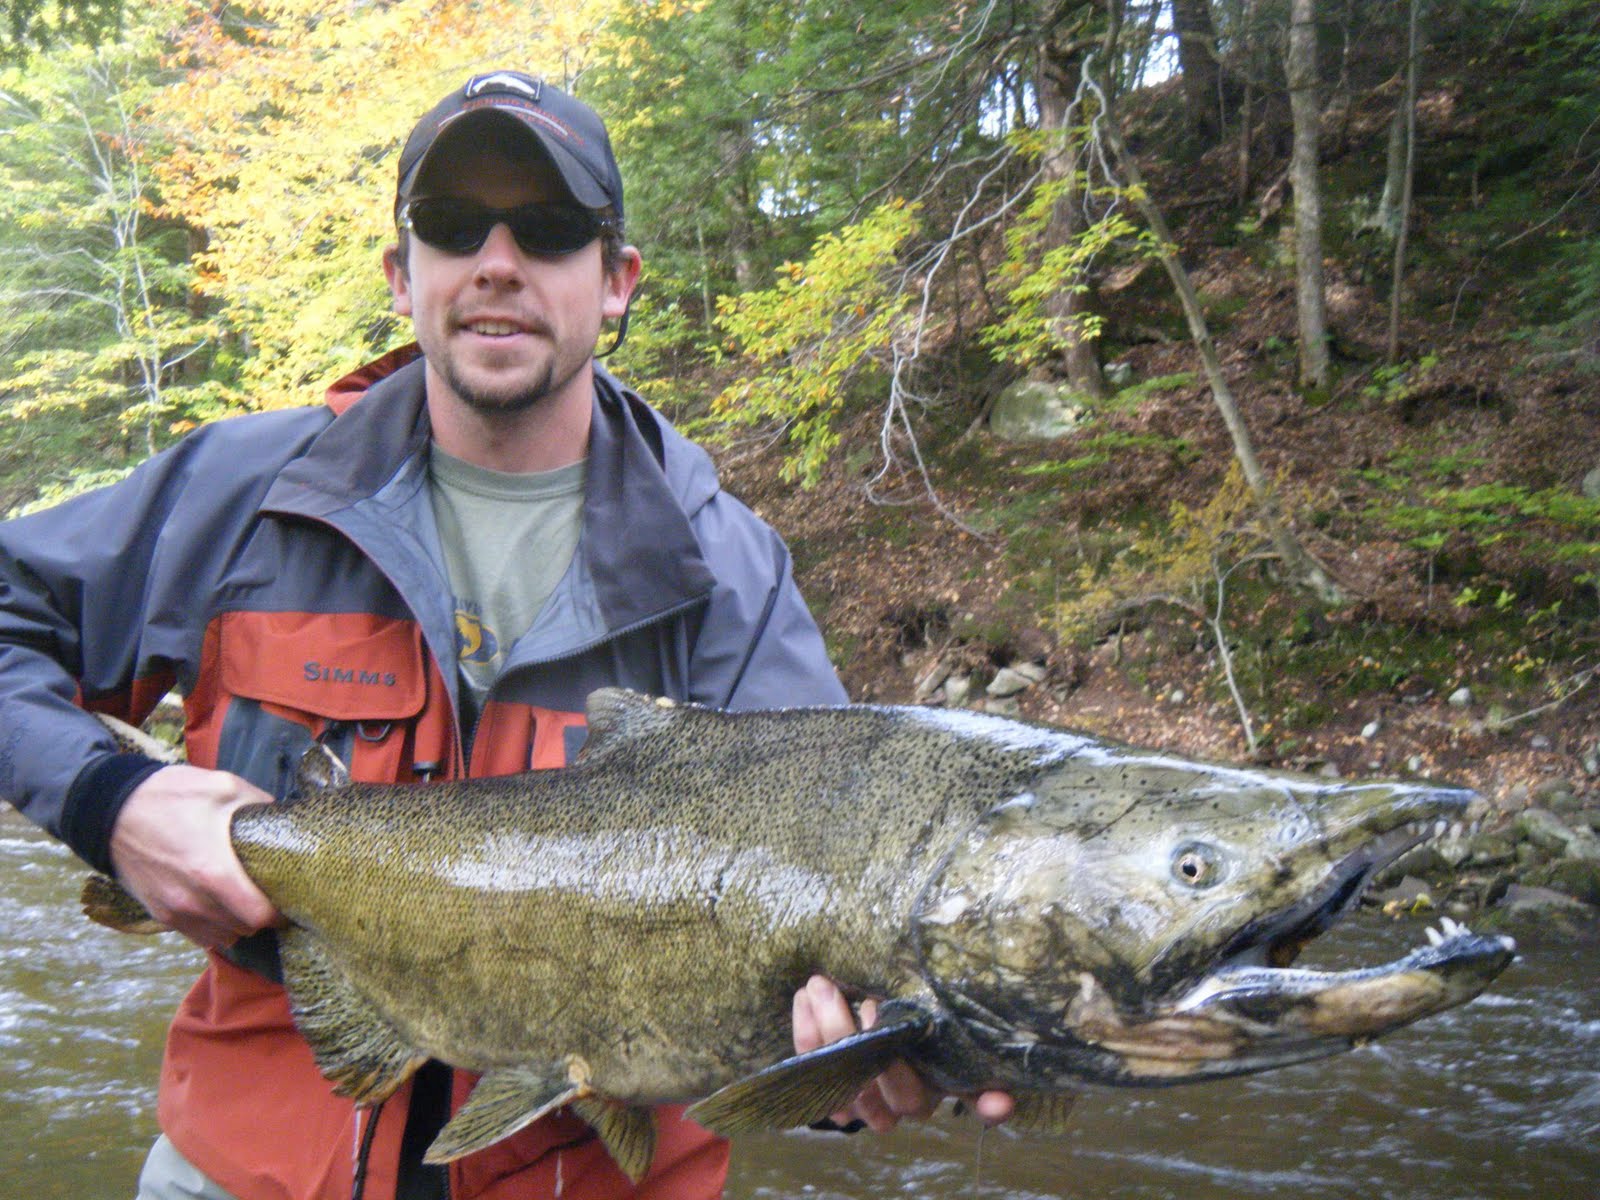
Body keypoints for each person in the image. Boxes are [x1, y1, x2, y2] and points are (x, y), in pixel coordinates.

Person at [0, 71, 1008, 1200]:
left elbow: (836, 909)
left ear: (615, 281)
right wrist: (108, 803)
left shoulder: (725, 571)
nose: (496, 261)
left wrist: (848, 1071)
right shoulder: (240, 496)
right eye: (449, 226)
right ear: (401, 276)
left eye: (548, 229)